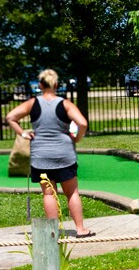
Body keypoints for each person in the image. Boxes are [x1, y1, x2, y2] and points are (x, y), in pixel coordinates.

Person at [9, 69, 93, 238]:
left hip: (41, 157)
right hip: (64, 155)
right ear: (56, 84)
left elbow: (11, 117)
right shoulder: (65, 104)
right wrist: (76, 138)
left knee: (48, 194)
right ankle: (80, 229)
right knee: (72, 193)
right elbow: (82, 123)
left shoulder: (32, 103)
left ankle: (53, 232)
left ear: (40, 85)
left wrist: (23, 133)